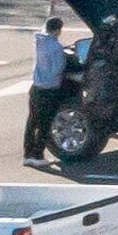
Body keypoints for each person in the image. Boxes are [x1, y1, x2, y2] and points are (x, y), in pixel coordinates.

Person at [24, 15, 73, 164]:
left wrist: (52, 6)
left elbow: (46, 23)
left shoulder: (39, 40)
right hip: (49, 90)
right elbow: (58, 68)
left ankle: (27, 155)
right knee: (45, 125)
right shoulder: (56, 47)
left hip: (36, 88)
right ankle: (38, 155)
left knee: (32, 122)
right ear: (58, 30)